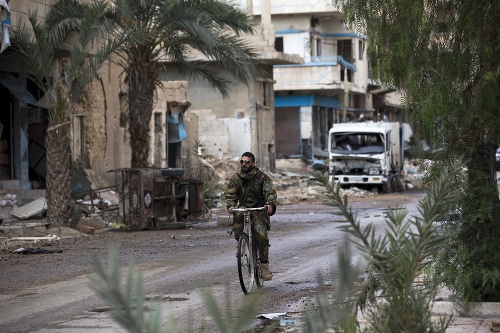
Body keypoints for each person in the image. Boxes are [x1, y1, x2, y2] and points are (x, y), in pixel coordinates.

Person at [225, 152, 277, 281]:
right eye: (242, 161)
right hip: (242, 208)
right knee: (237, 224)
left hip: (258, 209)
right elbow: (230, 194)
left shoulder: (262, 177)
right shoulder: (236, 178)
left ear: (253, 163)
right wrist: (231, 205)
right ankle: (240, 241)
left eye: (247, 162)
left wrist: (270, 203)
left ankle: (264, 266)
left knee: (262, 236)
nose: (244, 164)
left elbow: (270, 192)